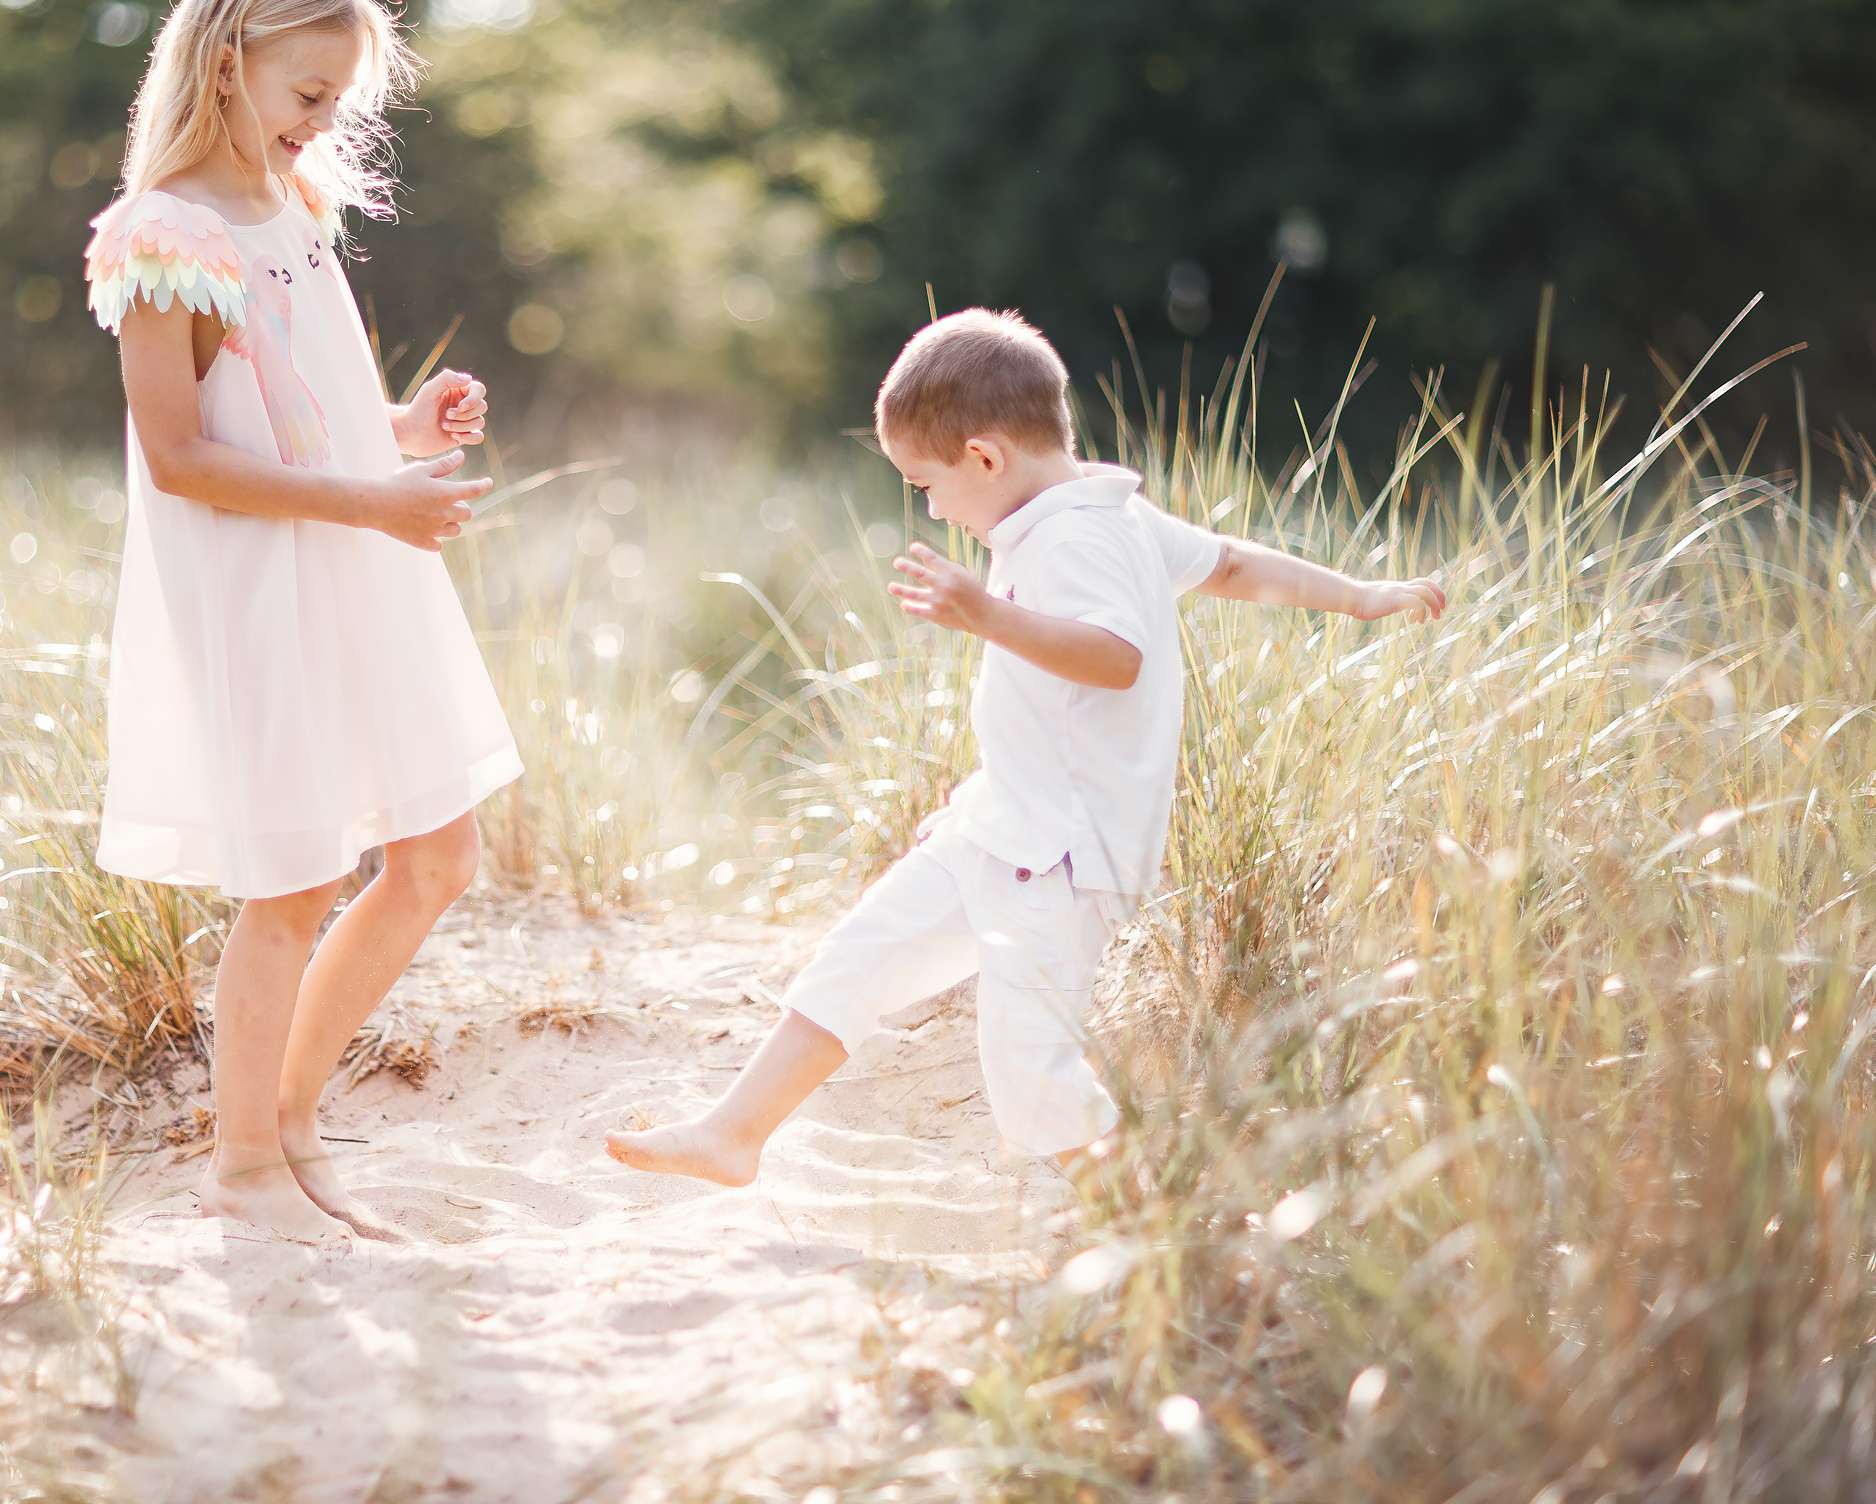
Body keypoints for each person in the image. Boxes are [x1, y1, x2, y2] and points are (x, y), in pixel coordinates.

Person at [606, 308, 1445, 1186]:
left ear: (985, 458)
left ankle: (1143, 1216)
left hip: (1060, 855)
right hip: (1002, 824)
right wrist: (1357, 597)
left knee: (1029, 1066)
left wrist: (986, 614)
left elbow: (1117, 658)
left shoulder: (1076, 536)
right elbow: (1230, 563)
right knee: (859, 958)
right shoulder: (1102, 514)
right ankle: (734, 1133)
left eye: (925, 483)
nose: (929, 505)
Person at [84, 0, 521, 1244]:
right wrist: (374, 500)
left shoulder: (297, 210)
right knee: (287, 884)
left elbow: (304, 413)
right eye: (307, 94)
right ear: (227, 63)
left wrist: (405, 425)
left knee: (438, 850)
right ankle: (244, 1165)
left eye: (341, 100)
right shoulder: (169, 237)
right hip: (262, 585)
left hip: (350, 558)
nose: (324, 121)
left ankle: (294, 1117)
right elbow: (181, 456)